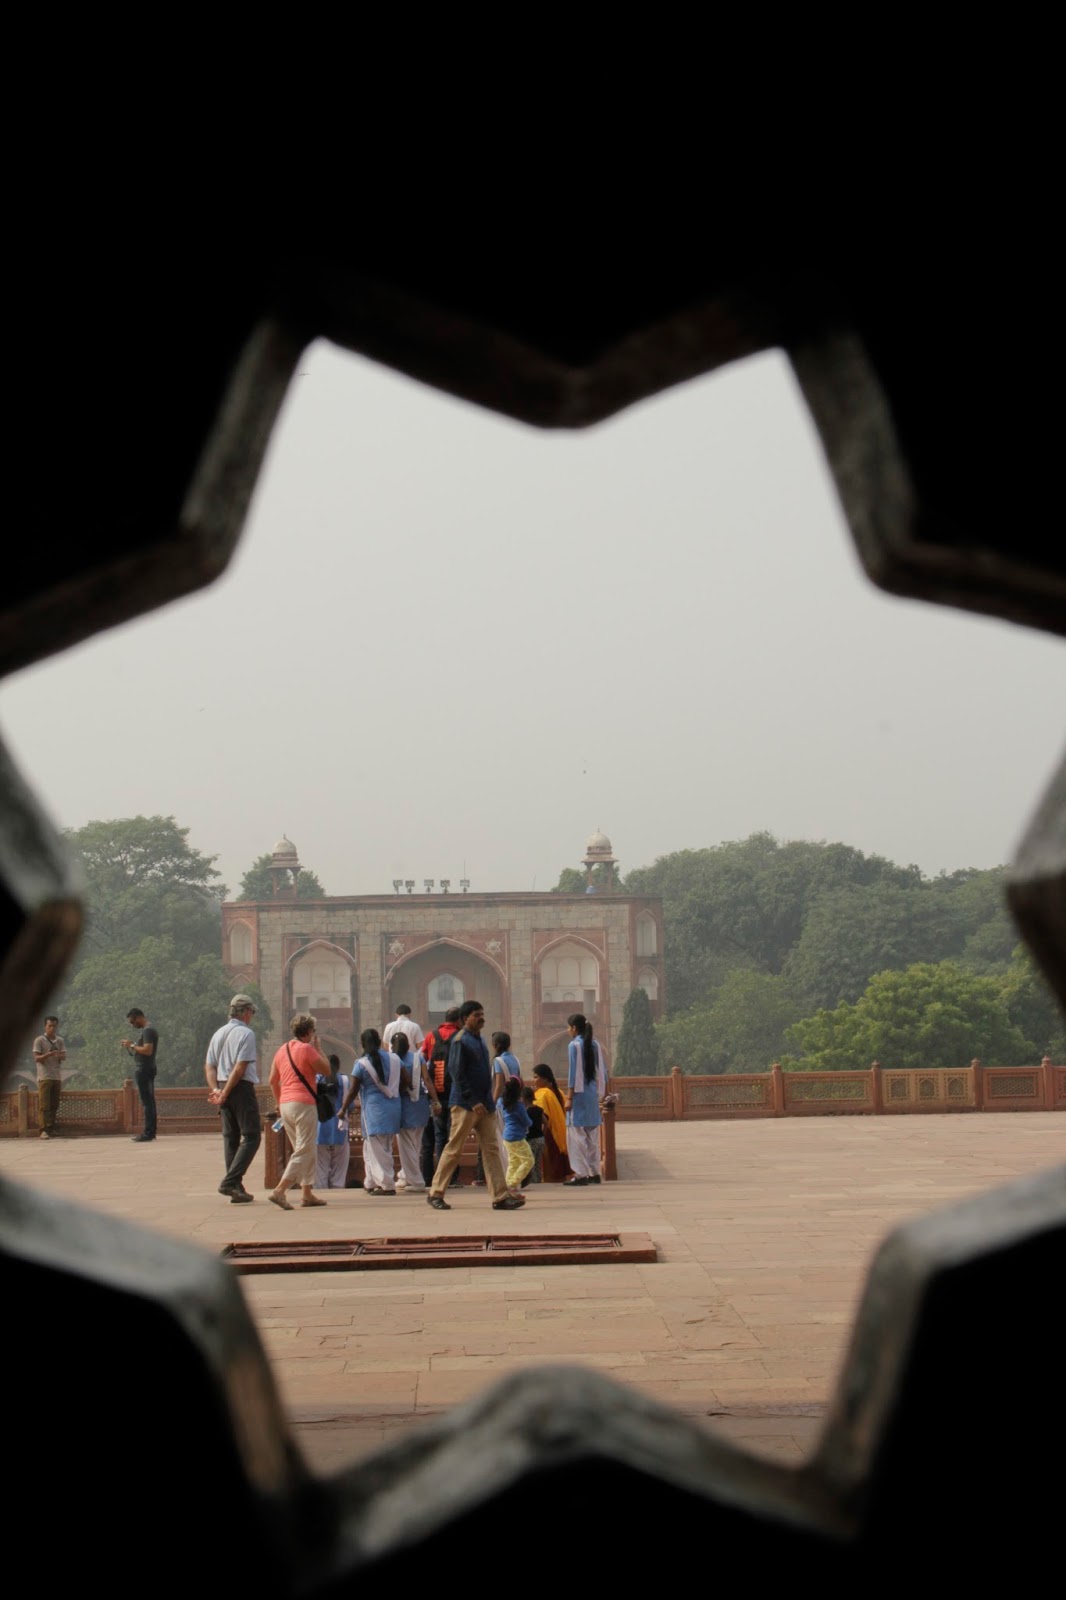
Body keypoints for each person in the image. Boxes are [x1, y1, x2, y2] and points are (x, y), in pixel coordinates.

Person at [426, 1001, 522, 1212]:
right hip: (465, 1105)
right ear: (465, 1018)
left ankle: (500, 1196)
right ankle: (436, 1192)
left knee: (491, 1150)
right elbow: (456, 1073)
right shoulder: (460, 1040)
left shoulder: (479, 1040)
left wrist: (486, 1101)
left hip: (484, 1104)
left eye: (482, 1014)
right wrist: (472, 1100)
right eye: (477, 1015)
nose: (481, 1018)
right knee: (454, 1149)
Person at [267, 1013, 330, 1211]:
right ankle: (280, 1190)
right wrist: (319, 1049)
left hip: (285, 1103)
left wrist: (279, 1102)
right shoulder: (306, 1050)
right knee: (304, 1149)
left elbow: (272, 1080)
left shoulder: (282, 1050)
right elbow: (327, 1070)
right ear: (309, 1031)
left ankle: (307, 1192)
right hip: (303, 1103)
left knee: (304, 1149)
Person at [205, 994, 261, 1204]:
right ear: (245, 1012)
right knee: (252, 1136)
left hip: (222, 1087)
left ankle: (236, 1187)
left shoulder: (218, 1033)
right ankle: (230, 1182)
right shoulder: (246, 1033)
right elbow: (240, 1067)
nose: (252, 1016)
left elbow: (210, 1066)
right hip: (239, 1089)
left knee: (231, 1139)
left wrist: (216, 1090)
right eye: (252, 1012)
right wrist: (226, 1091)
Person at [340, 1028, 404, 1195]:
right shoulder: (395, 1059)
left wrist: (343, 1109)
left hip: (374, 1111)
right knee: (375, 1147)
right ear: (379, 1041)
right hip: (393, 1108)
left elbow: (353, 1090)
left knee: (378, 1149)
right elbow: (405, 1079)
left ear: (362, 1044)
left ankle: (387, 1185)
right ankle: (370, 1181)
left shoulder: (361, 1064)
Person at [564, 1012, 609, 1185]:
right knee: (592, 1135)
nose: (568, 1031)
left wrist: (569, 1097)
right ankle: (595, 1172)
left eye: (569, 1027)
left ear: (574, 1028)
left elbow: (573, 1074)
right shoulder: (595, 1044)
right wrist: (603, 1092)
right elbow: (602, 1071)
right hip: (592, 1094)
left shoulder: (574, 1045)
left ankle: (581, 1174)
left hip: (579, 1095)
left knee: (576, 1136)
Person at [392, 1029, 439, 1192]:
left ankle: (417, 1182)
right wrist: (435, 1100)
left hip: (405, 1105)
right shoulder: (418, 1058)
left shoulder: (394, 1060)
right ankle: (406, 1175)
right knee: (415, 1144)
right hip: (420, 1104)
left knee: (406, 1146)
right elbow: (427, 1079)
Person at [419, 1007, 461, 1188]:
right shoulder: (461, 1037)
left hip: (435, 1093)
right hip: (455, 1094)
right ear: (459, 1020)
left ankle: (436, 1178)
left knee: (438, 1136)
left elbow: (423, 1062)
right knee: (454, 1137)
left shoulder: (431, 1036)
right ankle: (451, 1178)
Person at [315, 1054, 353, 1190]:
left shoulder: (317, 1080)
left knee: (320, 1170)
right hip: (340, 1129)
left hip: (320, 1131)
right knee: (339, 1171)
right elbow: (350, 1106)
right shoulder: (344, 1080)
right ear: (338, 1066)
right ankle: (338, 1192)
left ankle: (321, 1193)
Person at [121, 1007, 159, 1143]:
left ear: (138, 1017)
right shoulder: (148, 1030)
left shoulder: (148, 1030)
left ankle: (148, 1133)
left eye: (132, 1022)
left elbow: (148, 1050)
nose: (133, 1025)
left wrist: (131, 1046)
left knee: (147, 1102)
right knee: (149, 1101)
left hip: (144, 1068)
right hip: (148, 1067)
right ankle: (151, 1131)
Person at [531, 1064, 572, 1182]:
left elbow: (542, 1116)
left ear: (545, 1078)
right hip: (562, 1131)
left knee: (549, 1163)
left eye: (535, 1077)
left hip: (549, 1132)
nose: (533, 1080)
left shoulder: (543, 1093)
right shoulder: (557, 1091)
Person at [33, 1016, 66, 1140]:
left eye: (54, 1026)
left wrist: (57, 1054)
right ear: (45, 1026)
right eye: (49, 1026)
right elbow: (36, 1058)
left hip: (56, 1076)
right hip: (44, 1076)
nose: (52, 1028)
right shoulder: (39, 1040)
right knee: (44, 1105)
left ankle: (51, 1128)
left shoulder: (60, 1040)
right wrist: (48, 1054)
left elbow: (64, 1056)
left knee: (54, 1104)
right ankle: (43, 1130)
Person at [500, 1076, 534, 1196]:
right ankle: (512, 1184)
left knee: (514, 1162)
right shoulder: (519, 1106)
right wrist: (531, 1123)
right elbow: (526, 1121)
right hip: (517, 1138)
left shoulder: (503, 1102)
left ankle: (508, 1185)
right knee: (528, 1160)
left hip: (507, 1137)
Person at [522, 1084, 545, 1184]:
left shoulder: (525, 1111)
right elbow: (546, 1123)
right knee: (538, 1162)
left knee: (531, 1162)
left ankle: (534, 1181)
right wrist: (543, 1133)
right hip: (540, 1139)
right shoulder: (539, 1109)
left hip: (531, 1139)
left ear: (524, 1098)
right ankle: (539, 1179)